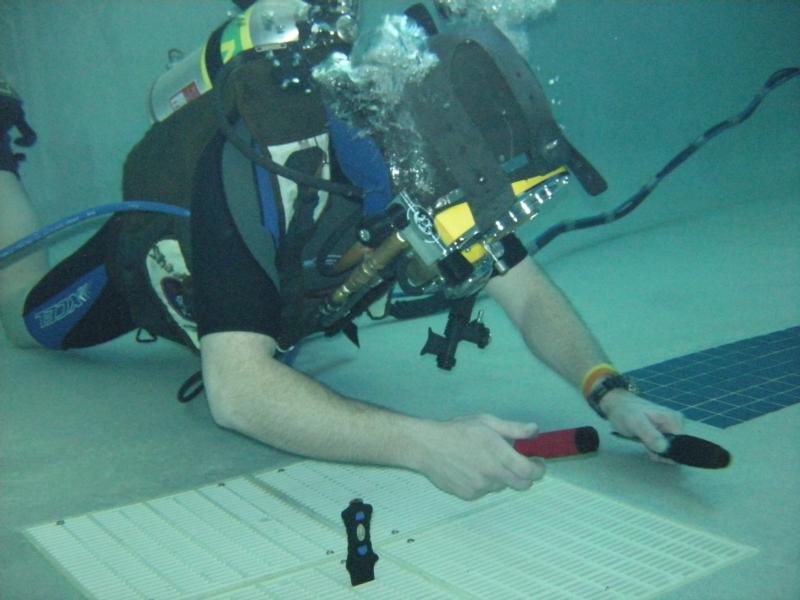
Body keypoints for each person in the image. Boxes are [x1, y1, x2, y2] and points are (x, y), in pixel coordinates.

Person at [0, 1, 683, 501]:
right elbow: (236, 391)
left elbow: (528, 294)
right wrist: (425, 443)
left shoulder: (433, 178)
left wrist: (610, 391)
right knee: (25, 323)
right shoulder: (260, 162)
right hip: (151, 266)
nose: (470, 224)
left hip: (274, 296)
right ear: (422, 150)